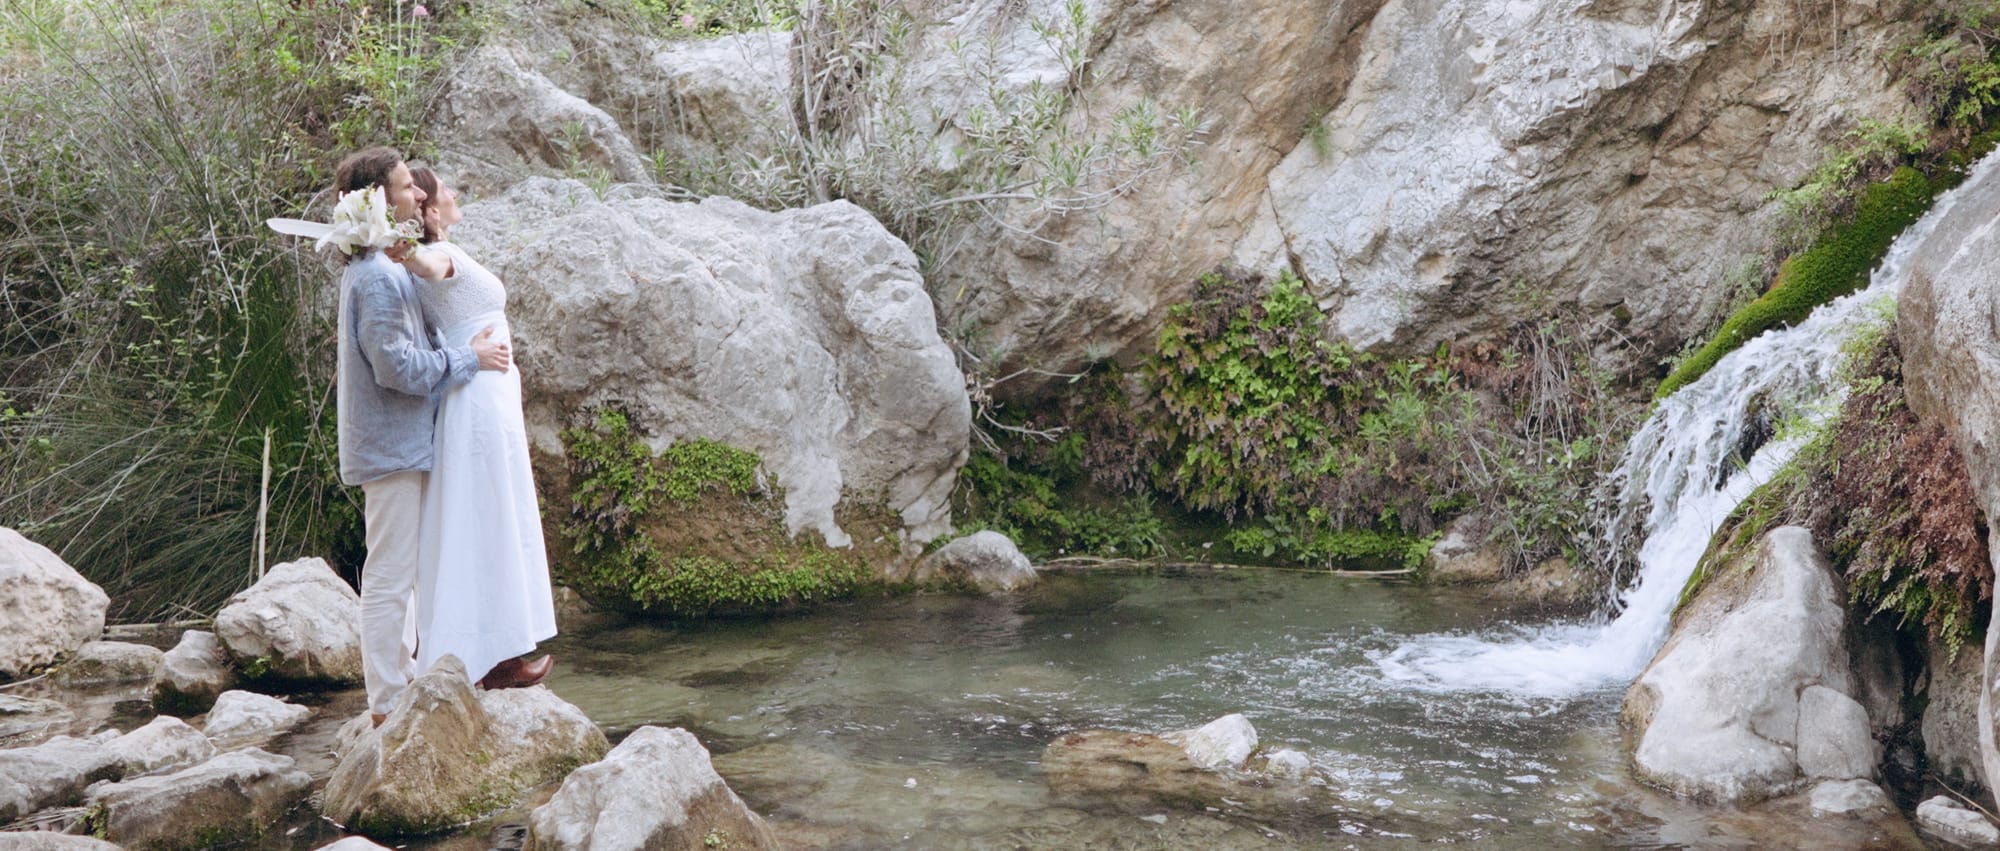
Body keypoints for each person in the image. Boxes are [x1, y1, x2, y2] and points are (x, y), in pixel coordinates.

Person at [331, 147, 511, 726]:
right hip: (390, 449)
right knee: (387, 577)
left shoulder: (387, 267)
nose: (419, 196)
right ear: (382, 199)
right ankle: (386, 702)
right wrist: (469, 358)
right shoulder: (377, 279)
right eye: (408, 188)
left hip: (406, 443)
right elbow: (397, 368)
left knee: (404, 572)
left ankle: (408, 679)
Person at [399, 167, 557, 692]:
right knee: (486, 515)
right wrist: (396, 241)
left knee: (495, 511)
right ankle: (493, 657)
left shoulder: (451, 249)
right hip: (476, 399)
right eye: (444, 190)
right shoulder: (437, 256)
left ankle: (499, 648)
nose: (453, 193)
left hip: (490, 398)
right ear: (429, 210)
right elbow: (421, 260)